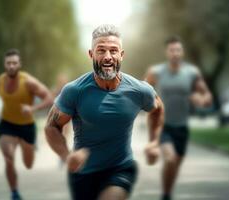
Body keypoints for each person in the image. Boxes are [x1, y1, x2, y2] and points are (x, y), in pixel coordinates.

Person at [45, 24, 164, 200]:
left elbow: (157, 110)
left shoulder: (139, 90)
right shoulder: (75, 90)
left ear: (121, 55)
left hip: (120, 168)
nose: (108, 56)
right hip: (82, 172)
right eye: (101, 50)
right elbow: (51, 127)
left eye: (113, 51)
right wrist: (66, 156)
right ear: (91, 54)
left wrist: (154, 141)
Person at [145, 36, 212, 200]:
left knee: (175, 165)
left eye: (178, 50)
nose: (175, 53)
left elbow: (207, 96)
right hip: (163, 126)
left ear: (182, 52)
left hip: (182, 127)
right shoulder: (156, 72)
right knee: (170, 159)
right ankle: (166, 195)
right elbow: (142, 90)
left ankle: (167, 193)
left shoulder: (191, 73)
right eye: (172, 50)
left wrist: (201, 100)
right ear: (166, 52)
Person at [0, 49, 53, 200]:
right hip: (7, 124)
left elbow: (49, 98)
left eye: (14, 63)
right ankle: (14, 192)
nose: (11, 66)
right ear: (4, 65)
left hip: (26, 126)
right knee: (8, 157)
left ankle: (30, 145)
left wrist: (32, 108)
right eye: (8, 63)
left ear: (19, 64)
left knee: (28, 164)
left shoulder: (28, 82)